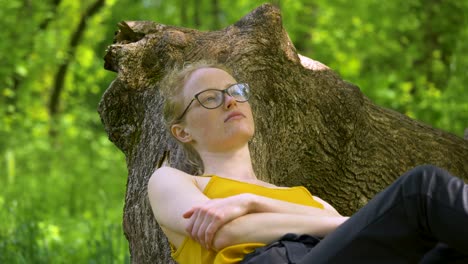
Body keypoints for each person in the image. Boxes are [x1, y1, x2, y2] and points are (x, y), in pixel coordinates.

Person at [147, 61, 468, 264]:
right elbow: (225, 234)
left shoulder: (308, 198)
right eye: (210, 97)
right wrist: (341, 223)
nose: (230, 100)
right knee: (421, 190)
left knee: (450, 249)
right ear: (182, 131)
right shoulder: (172, 181)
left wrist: (249, 201)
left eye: (234, 90)